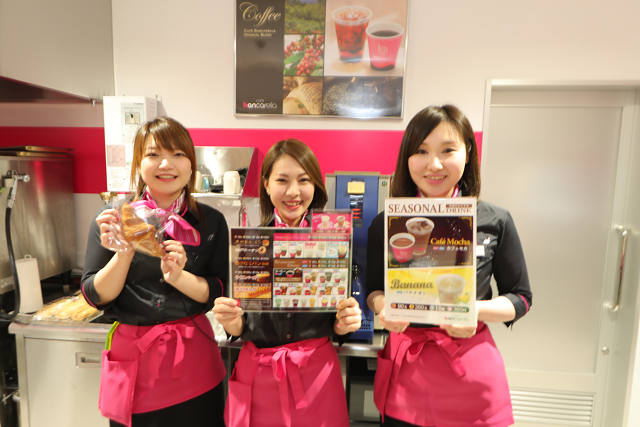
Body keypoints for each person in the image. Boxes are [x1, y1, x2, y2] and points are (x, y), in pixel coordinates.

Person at [366, 105, 532, 427]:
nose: (434, 164)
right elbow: (373, 289)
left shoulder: (494, 220)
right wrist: (384, 306)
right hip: (407, 376)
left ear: (467, 153)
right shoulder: (386, 223)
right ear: (407, 158)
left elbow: (521, 298)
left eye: (447, 150)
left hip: (470, 374)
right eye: (421, 151)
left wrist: (472, 311)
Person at [81, 117, 228, 427]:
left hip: (194, 362)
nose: (166, 164)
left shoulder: (211, 221)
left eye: (178, 154)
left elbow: (217, 290)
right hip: (134, 366)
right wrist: (124, 252)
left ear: (191, 164)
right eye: (153, 154)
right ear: (138, 162)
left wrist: (179, 277)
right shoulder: (114, 218)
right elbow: (95, 295)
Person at [213, 138, 362, 427]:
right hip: (259, 378)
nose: (293, 192)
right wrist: (232, 323)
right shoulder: (248, 246)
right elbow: (241, 324)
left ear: (315, 186)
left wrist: (344, 323)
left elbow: (338, 319)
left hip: (316, 379)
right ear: (266, 185)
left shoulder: (334, 243)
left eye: (304, 180)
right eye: (282, 180)